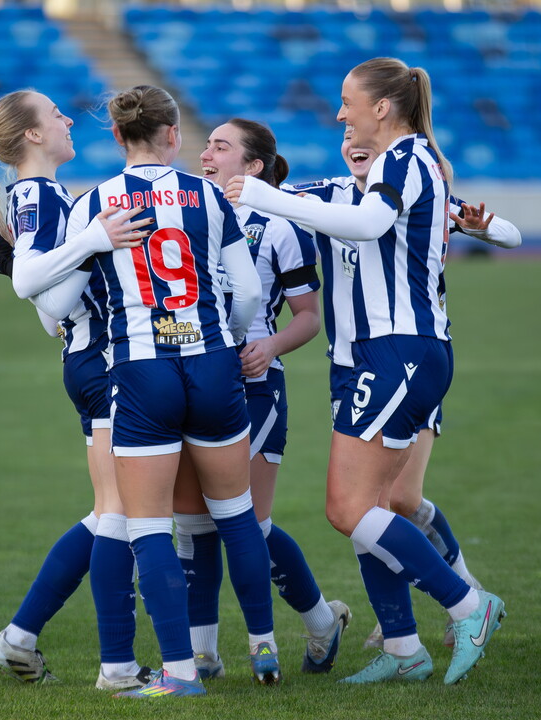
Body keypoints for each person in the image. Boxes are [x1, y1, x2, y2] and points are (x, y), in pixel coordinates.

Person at [225, 58, 506, 686]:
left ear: (382, 108)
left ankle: (468, 604)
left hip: (397, 350)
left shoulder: (407, 158)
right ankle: (403, 647)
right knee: (373, 506)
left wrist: (265, 194)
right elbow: (313, 208)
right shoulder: (372, 174)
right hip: (367, 359)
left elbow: (370, 223)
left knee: (348, 507)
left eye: (348, 102)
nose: (339, 115)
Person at [56, 85, 275, 699]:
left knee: (148, 527)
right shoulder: (209, 194)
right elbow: (249, 294)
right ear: (174, 135)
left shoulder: (94, 203)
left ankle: (179, 673)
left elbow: (58, 305)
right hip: (212, 363)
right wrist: (227, 337)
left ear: (117, 136)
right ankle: (264, 647)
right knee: (236, 514)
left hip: (141, 371)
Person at [288, 128, 521, 650]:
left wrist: (482, 227)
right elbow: (273, 200)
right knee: (381, 501)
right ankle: (403, 631)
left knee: (394, 499)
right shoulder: (327, 194)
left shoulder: (414, 184)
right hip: (356, 365)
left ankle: (463, 598)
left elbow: (511, 235)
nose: (353, 141)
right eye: (346, 136)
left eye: (364, 136)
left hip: (405, 360)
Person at [0, 88, 158, 691]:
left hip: (85, 362)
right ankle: (118, 668)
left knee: (110, 512)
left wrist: (62, 257)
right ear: (31, 135)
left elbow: (51, 313)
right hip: (105, 363)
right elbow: (37, 288)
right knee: (122, 515)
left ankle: (20, 639)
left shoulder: (38, 195)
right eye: (55, 114)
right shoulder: (42, 194)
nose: (68, 118)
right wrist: (94, 242)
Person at [171, 118, 350, 680]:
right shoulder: (190, 210)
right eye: (206, 145)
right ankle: (203, 655)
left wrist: (268, 346)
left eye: (220, 147)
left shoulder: (280, 225)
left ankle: (320, 623)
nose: (206, 154)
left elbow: (309, 317)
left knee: (248, 522)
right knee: (193, 523)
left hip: (254, 385)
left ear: (252, 166)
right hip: (193, 375)